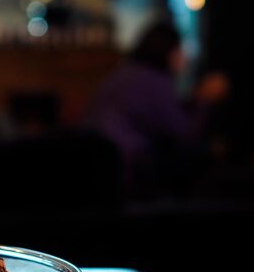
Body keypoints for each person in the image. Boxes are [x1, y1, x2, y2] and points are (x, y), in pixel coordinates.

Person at [78, 19, 228, 196]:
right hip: (122, 170)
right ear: (168, 51)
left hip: (92, 164)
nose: (184, 57)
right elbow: (183, 136)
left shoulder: (126, 73)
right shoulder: (155, 81)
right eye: (180, 50)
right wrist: (205, 101)